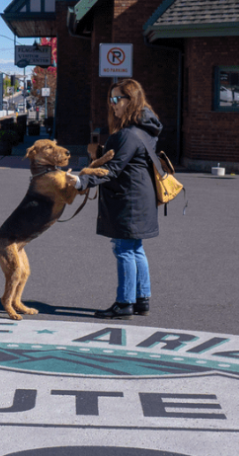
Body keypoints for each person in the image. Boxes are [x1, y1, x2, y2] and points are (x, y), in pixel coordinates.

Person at [68, 79, 162, 319]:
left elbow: (112, 170)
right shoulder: (145, 130)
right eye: (110, 99)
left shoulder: (128, 135)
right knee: (135, 248)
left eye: (116, 99)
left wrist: (81, 182)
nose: (112, 105)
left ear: (131, 100)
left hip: (127, 200)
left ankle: (124, 303)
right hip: (141, 198)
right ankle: (142, 299)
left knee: (124, 249)